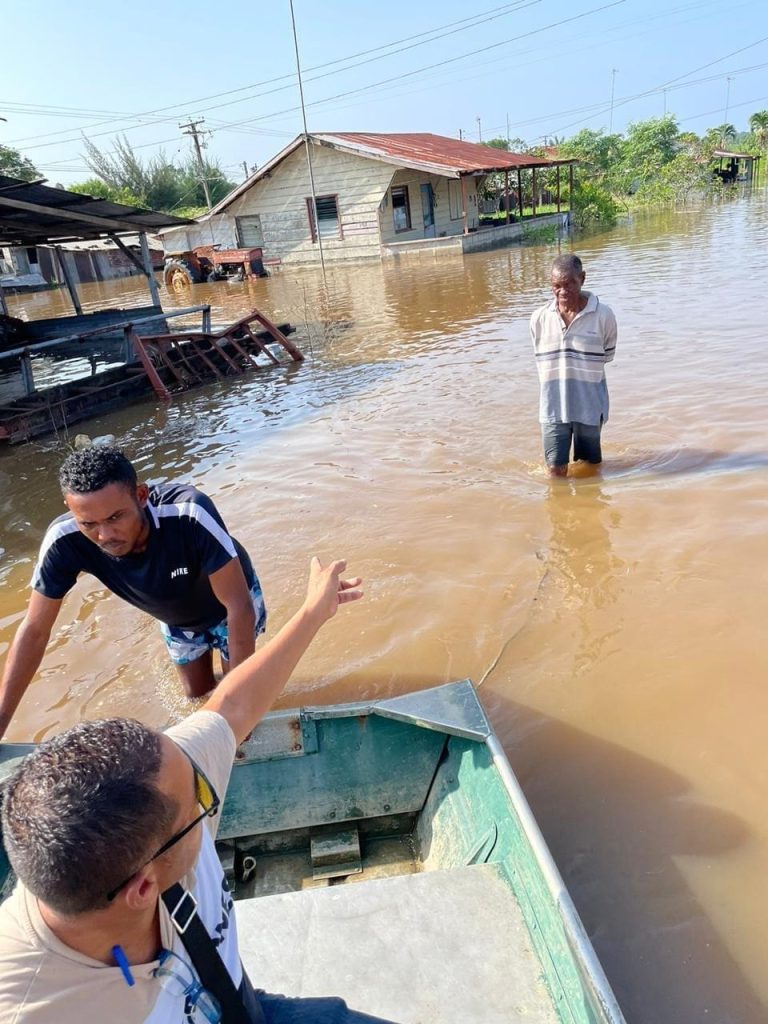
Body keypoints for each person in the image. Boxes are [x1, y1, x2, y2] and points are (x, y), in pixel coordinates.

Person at [0, 556, 383, 1023]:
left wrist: (313, 612)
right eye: (201, 801)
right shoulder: (32, 1007)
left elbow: (233, 705)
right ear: (144, 887)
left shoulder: (161, 781)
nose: (208, 783)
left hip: (236, 1004)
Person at [0, 446, 266, 738]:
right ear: (70, 508)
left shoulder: (189, 512)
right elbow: (35, 630)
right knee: (196, 698)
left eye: (115, 517)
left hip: (228, 605)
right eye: (89, 523)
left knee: (237, 710)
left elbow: (239, 606)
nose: (105, 535)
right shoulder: (64, 541)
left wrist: (238, 708)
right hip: (175, 614)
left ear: (141, 496)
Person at [530, 254, 617, 477]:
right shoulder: (539, 319)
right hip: (552, 408)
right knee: (555, 472)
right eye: (556, 286)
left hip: (589, 407)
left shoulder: (603, 316)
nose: (563, 291)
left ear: (582, 279)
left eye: (570, 283)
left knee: (589, 470)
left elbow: (607, 355)